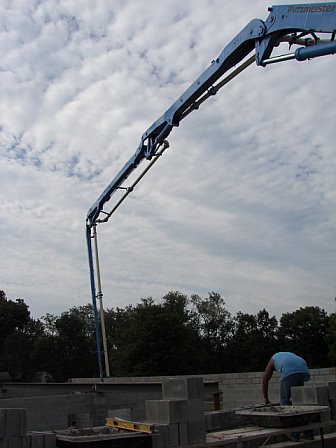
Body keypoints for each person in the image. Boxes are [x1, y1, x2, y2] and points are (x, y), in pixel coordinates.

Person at [262, 352, 313, 442]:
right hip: (303, 370)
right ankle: (308, 434)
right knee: (300, 403)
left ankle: (293, 434)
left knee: (284, 402)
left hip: (290, 372)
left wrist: (266, 399)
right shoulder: (283, 356)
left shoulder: (272, 360)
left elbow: (265, 380)